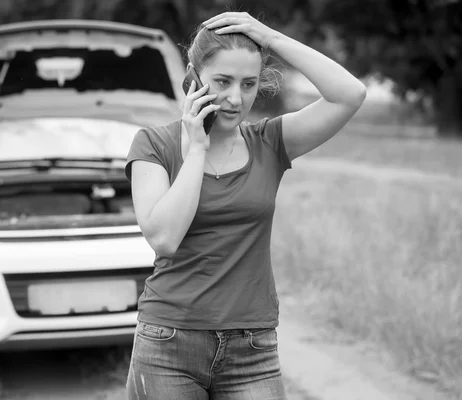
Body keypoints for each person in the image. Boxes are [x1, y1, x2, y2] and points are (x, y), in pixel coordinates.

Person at [124, 11, 367, 400]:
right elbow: (164, 238)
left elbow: (350, 94)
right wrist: (197, 150)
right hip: (167, 344)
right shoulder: (154, 145)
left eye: (249, 84)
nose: (236, 98)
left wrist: (270, 38)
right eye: (222, 81)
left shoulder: (270, 142)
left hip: (251, 349)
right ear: (194, 76)